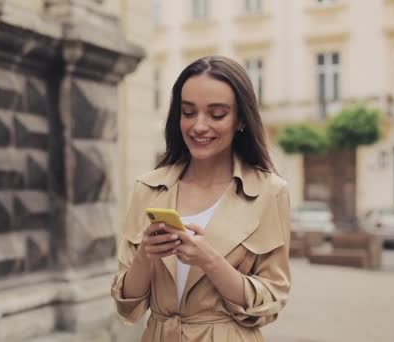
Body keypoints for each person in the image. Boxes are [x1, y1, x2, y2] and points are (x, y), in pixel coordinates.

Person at [111, 55, 291, 342]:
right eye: (188, 112)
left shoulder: (270, 192)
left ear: (241, 119)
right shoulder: (148, 187)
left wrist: (208, 259)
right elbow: (127, 305)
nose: (198, 126)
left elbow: (271, 301)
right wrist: (145, 254)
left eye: (217, 114)